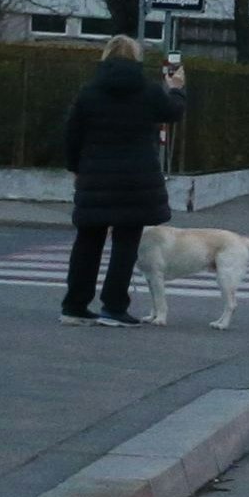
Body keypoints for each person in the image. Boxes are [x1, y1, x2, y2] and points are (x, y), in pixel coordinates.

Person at [62, 35, 185, 326]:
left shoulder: (89, 92)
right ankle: (114, 307)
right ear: (136, 57)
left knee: (87, 241)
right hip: (136, 180)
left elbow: (71, 134)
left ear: (106, 56)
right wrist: (177, 89)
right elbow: (172, 113)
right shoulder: (148, 90)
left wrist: (76, 169)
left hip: (95, 177)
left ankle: (75, 306)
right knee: (126, 243)